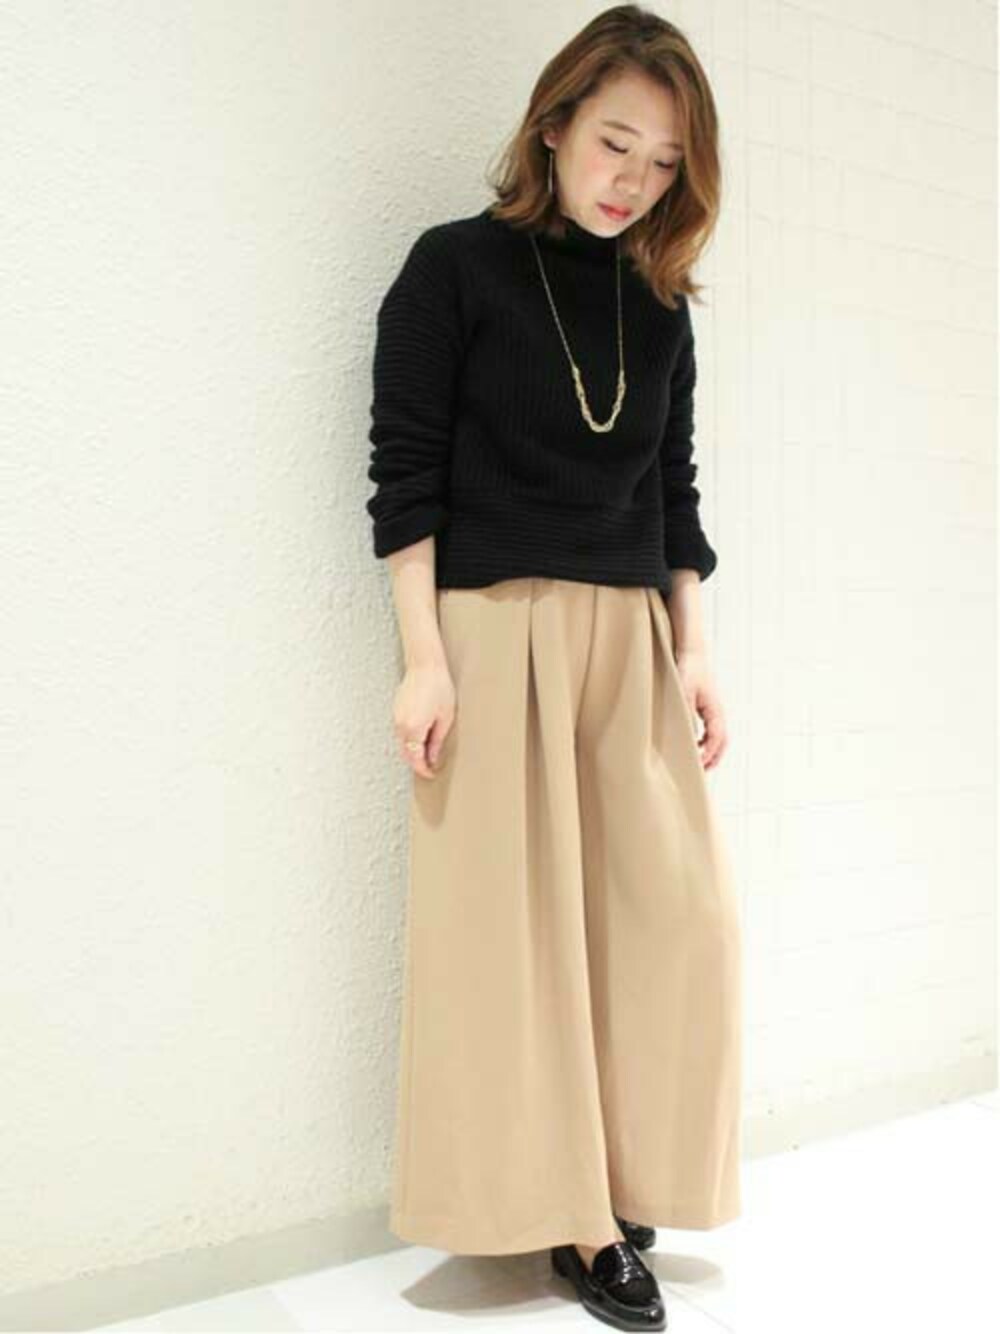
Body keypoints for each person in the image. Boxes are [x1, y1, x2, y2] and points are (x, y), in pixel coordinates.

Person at [365, 6, 742, 1330]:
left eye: (663, 161)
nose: (632, 179)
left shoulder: (659, 306)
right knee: (517, 938)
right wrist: (423, 661)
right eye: (614, 143)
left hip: (629, 633)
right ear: (553, 125)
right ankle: (578, 1223)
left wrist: (695, 650)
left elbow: (674, 493)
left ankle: (626, 1173)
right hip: (492, 629)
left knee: (673, 920)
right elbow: (404, 478)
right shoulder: (452, 269)